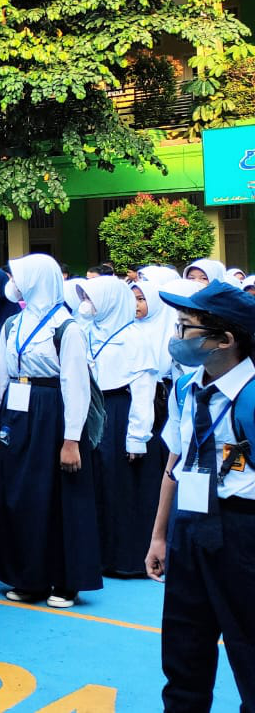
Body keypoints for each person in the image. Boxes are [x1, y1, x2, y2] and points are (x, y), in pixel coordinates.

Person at [147, 280, 255, 710]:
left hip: (242, 531)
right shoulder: (185, 388)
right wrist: (160, 535)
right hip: (189, 526)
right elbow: (174, 465)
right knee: (184, 645)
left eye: (186, 327)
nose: (176, 337)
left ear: (224, 340)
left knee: (248, 646)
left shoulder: (249, 397)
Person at [0, 254, 102, 608]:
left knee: (55, 499)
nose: (13, 282)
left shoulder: (67, 329)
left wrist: (71, 440)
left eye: (19, 276)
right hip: (16, 416)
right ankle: (28, 578)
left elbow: (75, 385)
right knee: (20, 495)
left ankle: (64, 582)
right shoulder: (13, 324)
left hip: (52, 414)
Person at [76, 275, 159, 578]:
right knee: (95, 483)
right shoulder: (87, 331)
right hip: (92, 407)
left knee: (119, 486)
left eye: (92, 298)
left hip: (118, 411)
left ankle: (123, 558)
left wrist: (137, 436)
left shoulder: (134, 337)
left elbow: (142, 389)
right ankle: (98, 554)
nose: (87, 305)